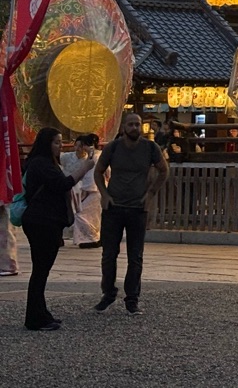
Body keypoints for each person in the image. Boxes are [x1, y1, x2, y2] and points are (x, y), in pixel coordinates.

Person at [95, 111, 169, 315]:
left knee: (135, 256)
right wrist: (104, 194)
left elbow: (164, 169)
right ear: (123, 128)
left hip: (137, 207)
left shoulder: (150, 147)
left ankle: (132, 298)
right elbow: (98, 170)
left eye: (137, 125)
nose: (135, 128)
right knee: (109, 254)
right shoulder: (113, 147)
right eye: (131, 124)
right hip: (114, 206)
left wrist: (151, 193)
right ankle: (108, 292)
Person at [21, 127, 94, 330]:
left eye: (61, 142)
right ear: (47, 143)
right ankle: (35, 317)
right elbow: (63, 184)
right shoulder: (42, 164)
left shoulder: (40, 163)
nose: (60, 146)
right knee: (40, 270)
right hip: (42, 221)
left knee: (41, 269)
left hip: (43, 220)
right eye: (56, 142)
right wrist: (85, 167)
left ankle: (41, 312)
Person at [63, 133, 102, 247]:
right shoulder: (96, 155)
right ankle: (91, 238)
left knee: (82, 214)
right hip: (96, 188)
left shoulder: (94, 156)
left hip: (94, 189)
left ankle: (91, 238)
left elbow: (91, 175)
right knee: (91, 215)